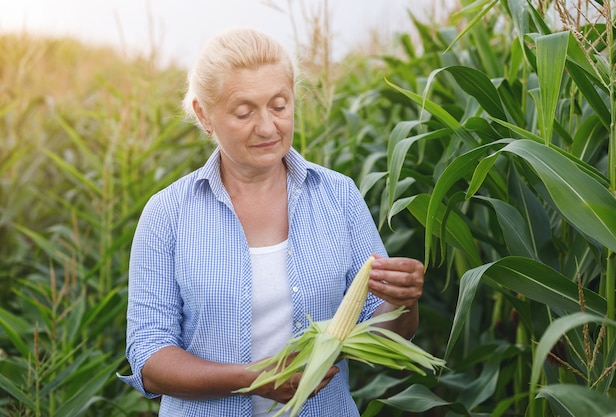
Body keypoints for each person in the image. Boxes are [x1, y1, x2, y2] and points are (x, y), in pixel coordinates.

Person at [119, 27, 424, 417]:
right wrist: (255, 377)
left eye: (279, 106)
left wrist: (404, 303)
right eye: (244, 112)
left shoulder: (339, 195)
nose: (267, 127)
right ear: (203, 114)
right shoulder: (168, 214)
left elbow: (380, 334)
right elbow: (150, 359)